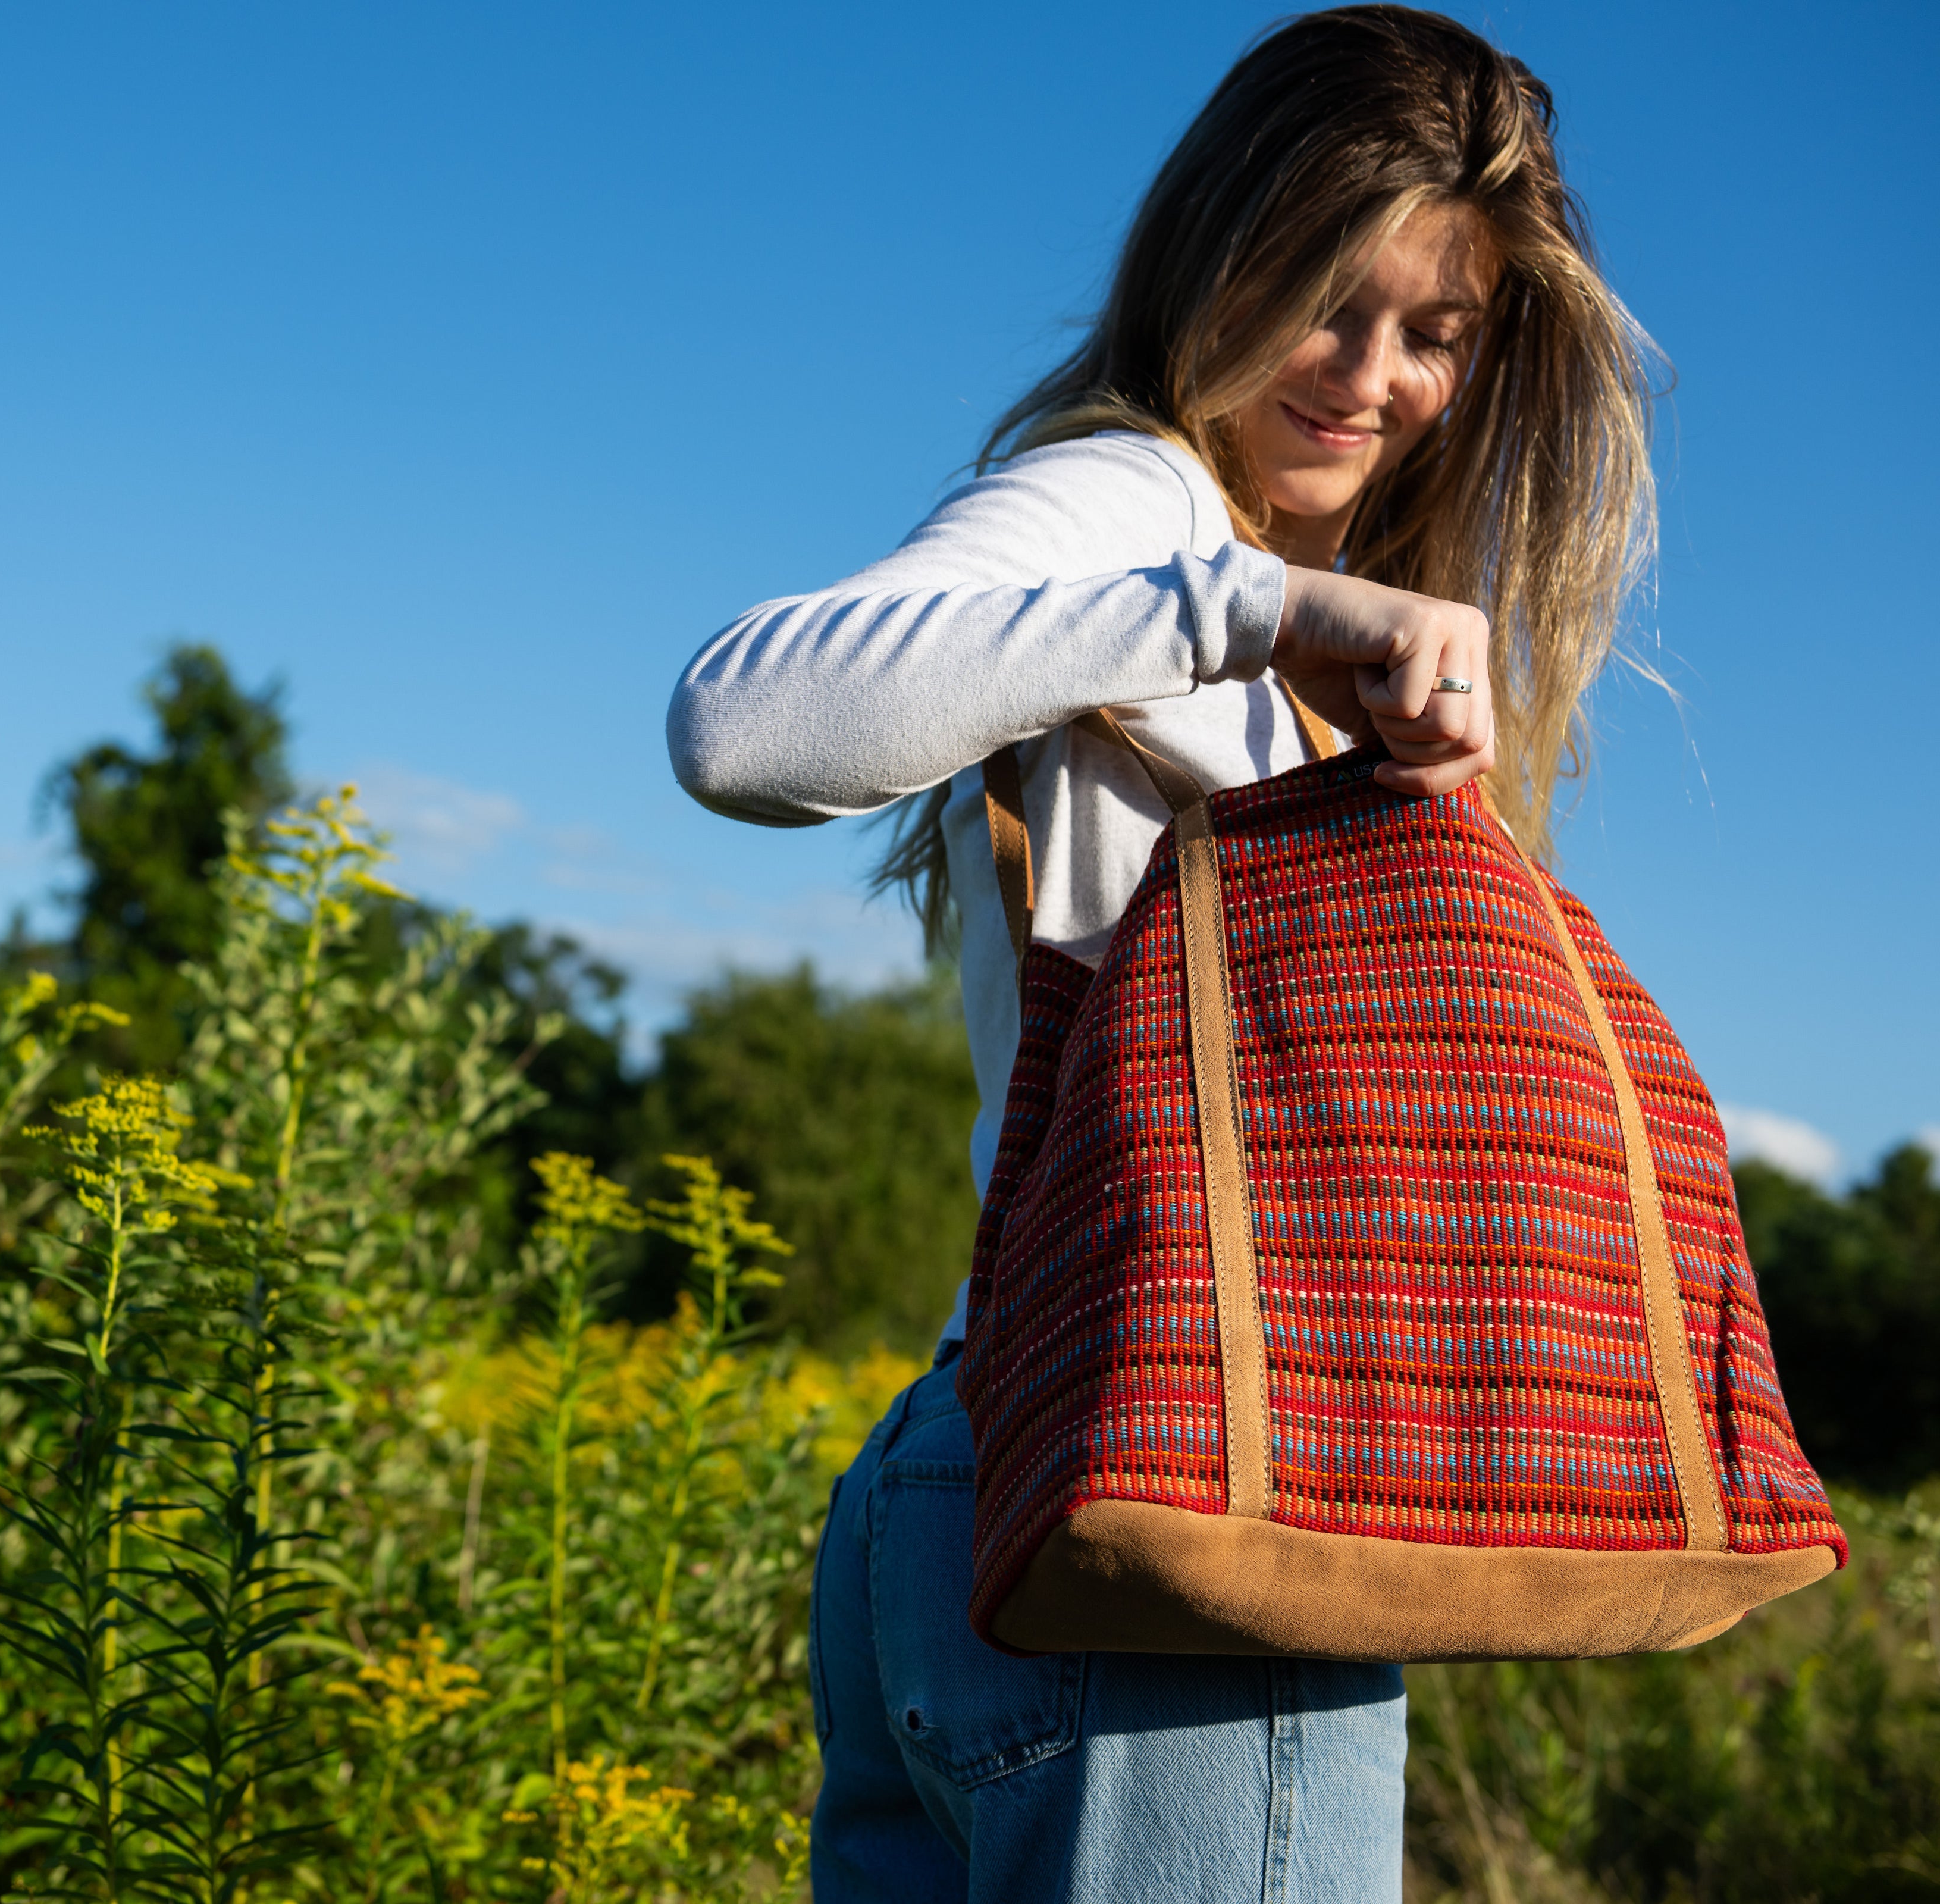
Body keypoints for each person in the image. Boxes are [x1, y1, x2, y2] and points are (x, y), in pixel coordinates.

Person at [664, 8, 1658, 1899]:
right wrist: (1251, 605)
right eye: (1326, 299)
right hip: (1179, 1506)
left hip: (984, 1466)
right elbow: (741, 724)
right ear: (1217, 254)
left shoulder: (1232, 576)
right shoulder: (1138, 508)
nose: (1372, 379)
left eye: (1436, 334)